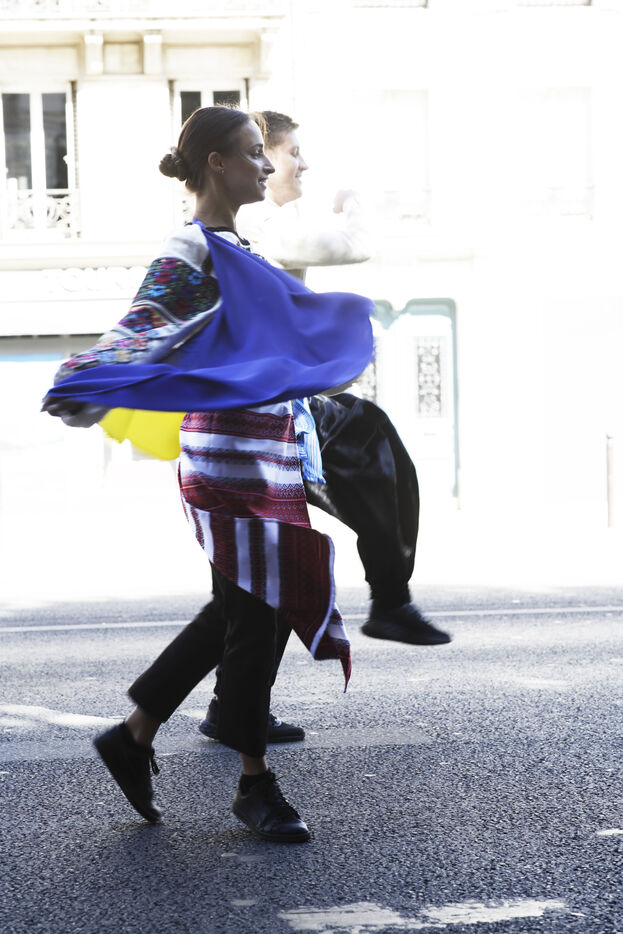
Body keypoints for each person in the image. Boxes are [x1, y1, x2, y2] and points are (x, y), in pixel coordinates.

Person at [42, 106, 374, 842]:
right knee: (257, 613)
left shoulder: (236, 244)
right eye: (254, 153)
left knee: (237, 609)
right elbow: (143, 325)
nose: (267, 164)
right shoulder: (191, 246)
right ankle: (254, 783)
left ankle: (132, 735)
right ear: (217, 165)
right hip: (227, 461)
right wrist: (87, 380)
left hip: (264, 455)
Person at [195, 110, 450, 744]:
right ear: (232, 162)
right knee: (368, 451)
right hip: (271, 422)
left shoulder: (250, 227)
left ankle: (226, 710)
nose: (298, 164)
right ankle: (389, 598)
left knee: (254, 586)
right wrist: (354, 200)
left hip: (269, 417)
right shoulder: (262, 226)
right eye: (288, 153)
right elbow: (350, 245)